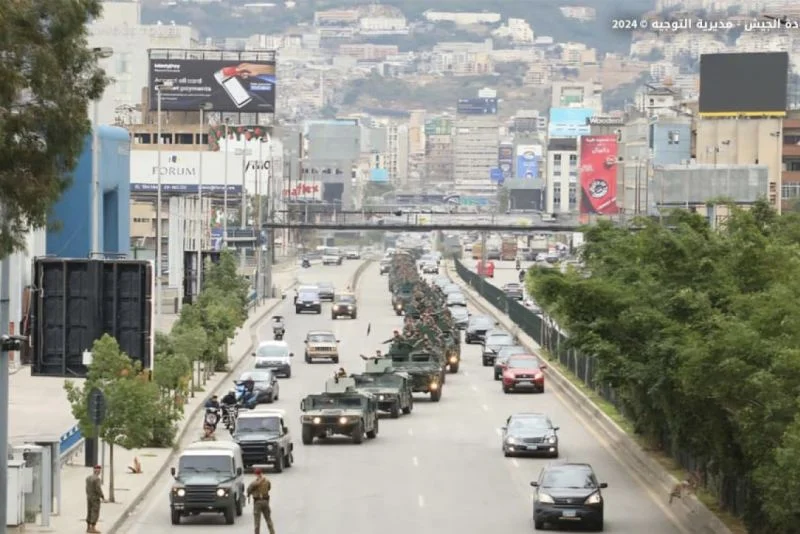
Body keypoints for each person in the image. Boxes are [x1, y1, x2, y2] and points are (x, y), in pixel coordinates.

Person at [247, 468, 276, 534]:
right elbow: (269, 488)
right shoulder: (267, 481)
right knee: (268, 519)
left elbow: (248, 490)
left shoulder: (254, 483)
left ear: (255, 474)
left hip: (257, 503)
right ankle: (272, 532)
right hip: (265, 501)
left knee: (257, 522)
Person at [85, 464, 104, 533]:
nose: (99, 471)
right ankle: (93, 528)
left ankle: (88, 527)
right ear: (98, 471)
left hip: (89, 497)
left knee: (89, 511)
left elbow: (86, 488)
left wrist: (88, 495)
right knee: (95, 512)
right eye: (99, 470)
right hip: (95, 498)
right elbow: (98, 489)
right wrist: (102, 496)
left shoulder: (88, 478)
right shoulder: (97, 479)